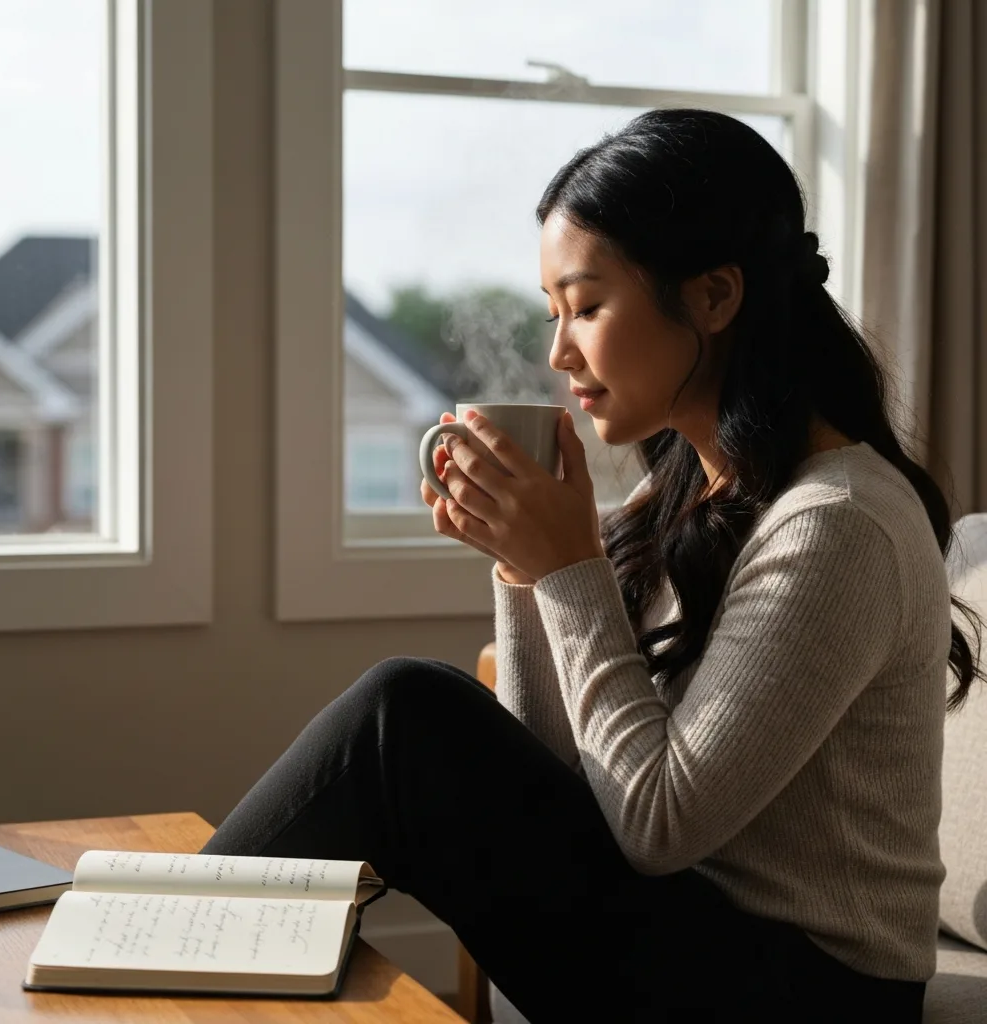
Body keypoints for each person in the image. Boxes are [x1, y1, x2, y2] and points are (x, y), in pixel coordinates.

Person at [201, 108, 983, 1022]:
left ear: (715, 297)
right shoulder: (683, 496)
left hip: (814, 993)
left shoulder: (838, 520)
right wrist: (523, 570)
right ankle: (161, 951)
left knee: (401, 716)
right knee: (406, 719)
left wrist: (567, 569)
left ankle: (140, 937)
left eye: (588, 307)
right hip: (698, 936)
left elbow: (656, 826)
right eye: (551, 314)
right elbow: (561, 778)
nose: (558, 351)